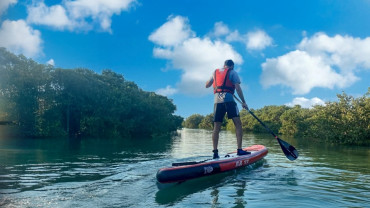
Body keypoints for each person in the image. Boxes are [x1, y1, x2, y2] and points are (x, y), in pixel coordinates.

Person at [205, 59, 250, 159]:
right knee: (238, 124)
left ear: (224, 65)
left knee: (216, 127)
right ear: (232, 66)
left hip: (217, 102)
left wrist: (215, 82)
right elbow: (237, 88)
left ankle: (215, 153)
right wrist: (243, 102)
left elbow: (207, 85)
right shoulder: (233, 72)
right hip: (229, 101)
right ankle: (239, 150)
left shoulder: (215, 72)